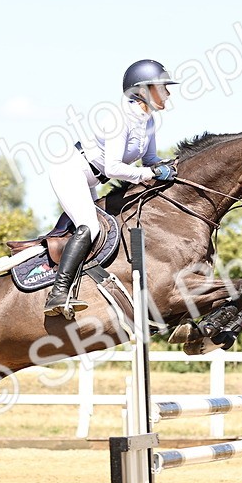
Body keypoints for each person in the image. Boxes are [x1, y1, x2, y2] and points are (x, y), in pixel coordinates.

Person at [44, 59, 179, 319]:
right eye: (163, 87)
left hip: (91, 178)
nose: (168, 93)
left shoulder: (149, 121)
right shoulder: (119, 118)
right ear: (143, 90)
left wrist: (171, 166)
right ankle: (57, 293)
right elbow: (114, 167)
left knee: (107, 228)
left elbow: (150, 159)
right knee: (90, 226)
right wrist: (150, 173)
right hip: (70, 170)